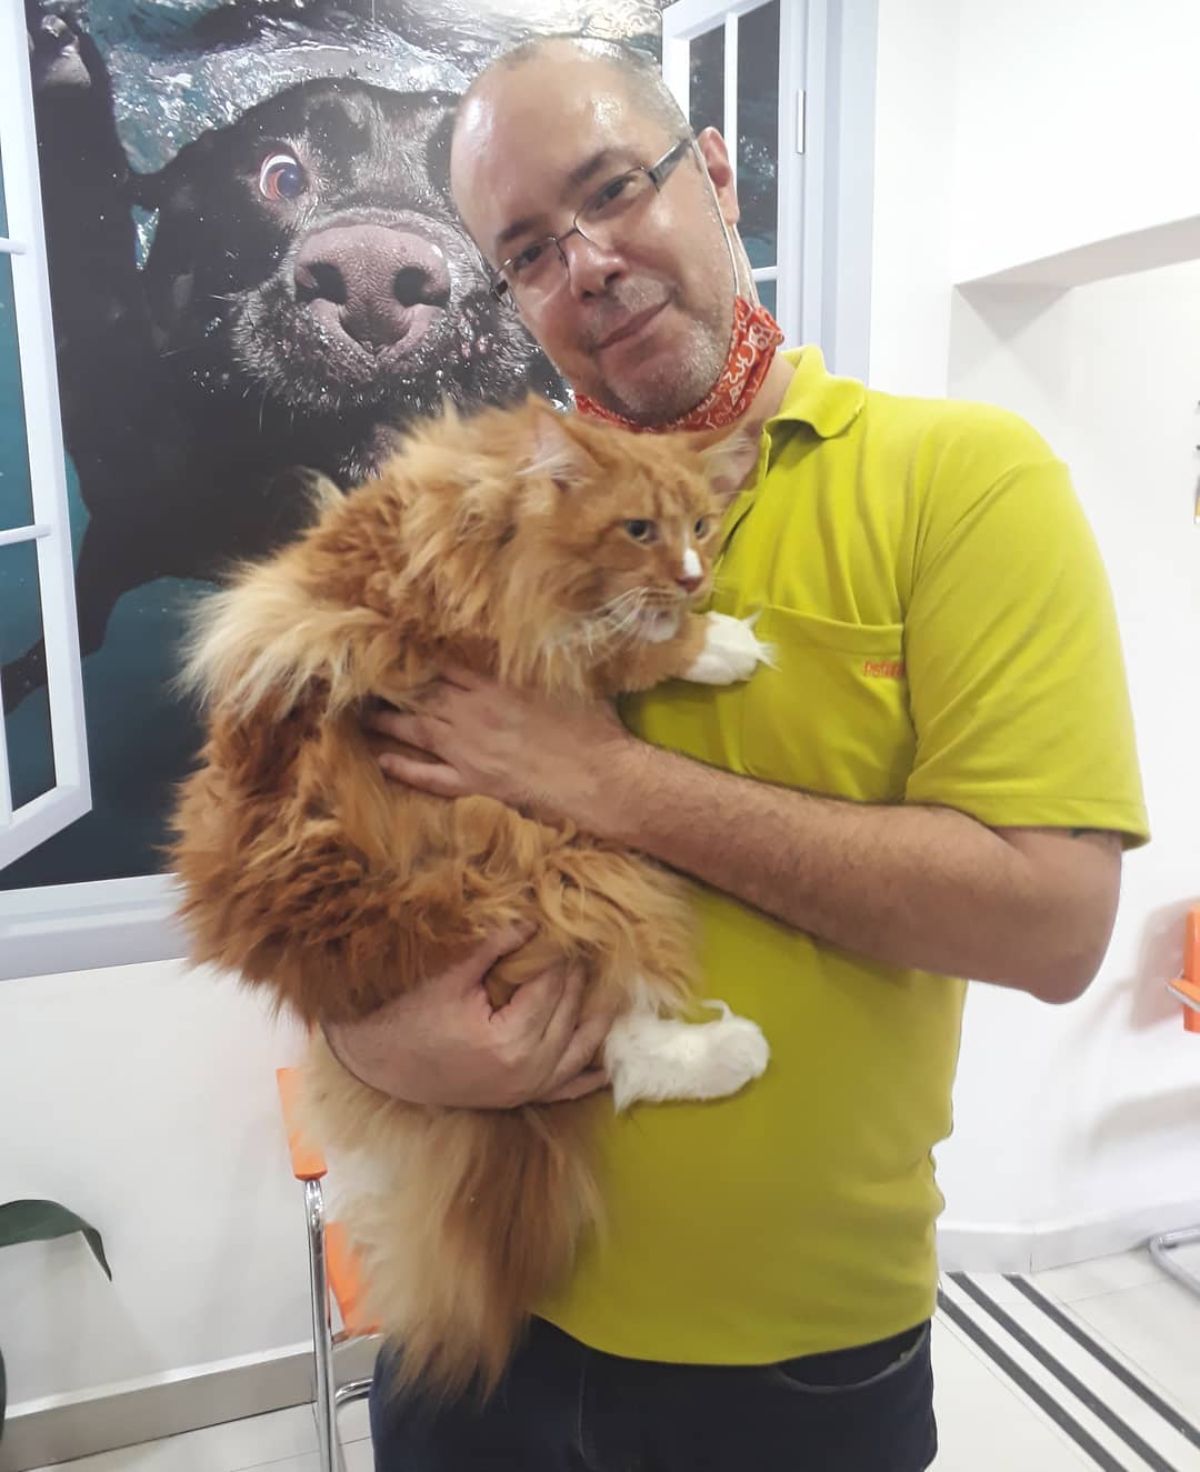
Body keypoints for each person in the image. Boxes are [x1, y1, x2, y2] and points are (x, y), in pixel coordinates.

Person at [323, 35, 1149, 1472]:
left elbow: (1052, 924)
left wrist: (606, 779)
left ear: (714, 176)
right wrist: (365, 1033)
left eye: (612, 190)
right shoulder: (457, 525)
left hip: (789, 1373)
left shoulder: (960, 478)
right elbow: (311, 834)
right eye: (526, 249)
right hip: (469, 1318)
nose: (585, 264)